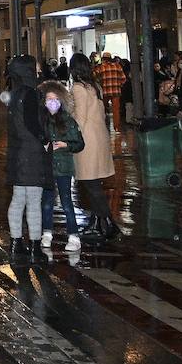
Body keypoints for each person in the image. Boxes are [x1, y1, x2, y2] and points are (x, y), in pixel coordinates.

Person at [6, 55, 52, 264]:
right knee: (34, 201)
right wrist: (44, 139)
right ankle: (35, 244)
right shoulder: (31, 94)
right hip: (32, 152)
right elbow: (33, 123)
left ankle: (16, 242)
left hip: (17, 151)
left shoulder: (14, 94)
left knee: (18, 199)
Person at [68, 54, 119, 242]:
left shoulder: (79, 88)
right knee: (94, 182)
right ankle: (96, 221)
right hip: (100, 137)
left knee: (90, 183)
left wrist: (69, 132)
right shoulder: (95, 86)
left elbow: (80, 118)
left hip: (87, 140)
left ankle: (108, 222)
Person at [37, 81, 85, 253]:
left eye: (55, 99)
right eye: (48, 99)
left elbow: (79, 143)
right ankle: (47, 233)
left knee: (66, 201)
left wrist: (66, 145)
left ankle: (74, 236)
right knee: (47, 202)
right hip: (47, 167)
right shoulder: (42, 121)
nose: (52, 102)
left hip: (64, 166)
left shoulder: (68, 121)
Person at [96, 52, 126, 128]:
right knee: (116, 110)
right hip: (116, 91)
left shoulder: (101, 67)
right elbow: (123, 78)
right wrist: (119, 85)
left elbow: (94, 76)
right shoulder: (117, 66)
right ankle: (117, 128)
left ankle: (104, 126)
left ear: (103, 59)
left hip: (105, 91)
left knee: (103, 109)